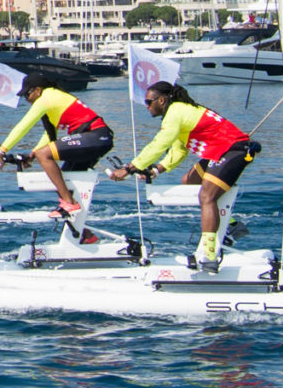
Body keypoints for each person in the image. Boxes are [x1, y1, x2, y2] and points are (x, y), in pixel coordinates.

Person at [111, 83, 262, 272]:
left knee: (206, 197)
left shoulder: (175, 111)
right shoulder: (179, 112)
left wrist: (129, 167)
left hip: (233, 151)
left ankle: (209, 256)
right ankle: (231, 226)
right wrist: (156, 170)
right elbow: (179, 149)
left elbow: (160, 143)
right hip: (219, 152)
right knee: (189, 181)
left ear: (162, 100)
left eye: (149, 102)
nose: (147, 106)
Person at [0, 75, 115, 218]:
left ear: (38, 90)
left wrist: (1, 151)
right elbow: (50, 135)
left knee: (44, 156)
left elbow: (23, 126)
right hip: (94, 139)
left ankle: (69, 203)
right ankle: (84, 233)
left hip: (97, 136)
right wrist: (33, 153)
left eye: (27, 94)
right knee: (61, 182)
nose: (27, 99)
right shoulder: (50, 99)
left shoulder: (46, 98)